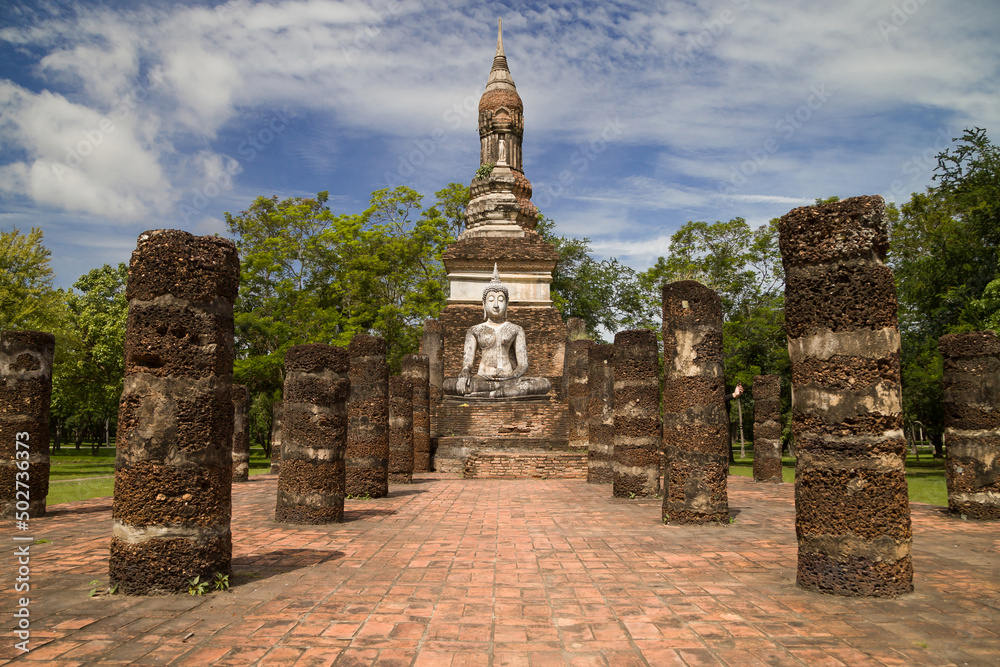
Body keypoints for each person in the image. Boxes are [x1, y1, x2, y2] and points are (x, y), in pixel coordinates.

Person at [442, 265, 551, 399]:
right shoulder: (475, 330)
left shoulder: (516, 329)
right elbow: (468, 362)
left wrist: (512, 376)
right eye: (491, 300)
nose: (496, 305)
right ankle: (499, 393)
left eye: (500, 300)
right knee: (448, 385)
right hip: (482, 378)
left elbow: (523, 365)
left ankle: (489, 394)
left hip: (509, 378)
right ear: (484, 304)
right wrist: (464, 372)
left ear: (507, 303)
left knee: (543, 383)